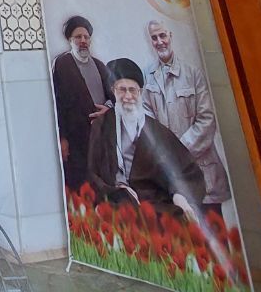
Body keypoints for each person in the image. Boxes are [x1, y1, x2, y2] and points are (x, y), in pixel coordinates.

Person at [87, 58, 205, 222]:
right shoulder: (102, 125)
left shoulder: (156, 131)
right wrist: (120, 191)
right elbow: (93, 172)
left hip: (155, 203)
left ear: (140, 92)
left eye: (132, 90)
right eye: (122, 90)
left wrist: (180, 196)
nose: (128, 96)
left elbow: (186, 170)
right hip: (117, 201)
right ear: (113, 91)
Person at [142, 20, 232, 219]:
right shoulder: (147, 78)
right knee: (184, 234)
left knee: (215, 232)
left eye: (162, 36)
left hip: (203, 174)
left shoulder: (193, 74)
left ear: (170, 36)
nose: (159, 42)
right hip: (171, 176)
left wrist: (179, 151)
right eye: (154, 38)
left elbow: (207, 119)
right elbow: (148, 124)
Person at [51, 14, 113, 189]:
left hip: (101, 137)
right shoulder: (62, 64)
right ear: (70, 40)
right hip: (76, 140)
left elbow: (113, 98)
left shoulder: (100, 66)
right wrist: (62, 138)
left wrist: (107, 109)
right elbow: (57, 104)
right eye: (78, 37)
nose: (83, 41)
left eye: (86, 37)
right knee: (81, 187)